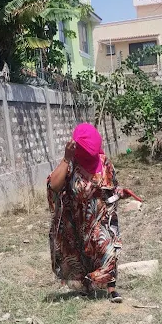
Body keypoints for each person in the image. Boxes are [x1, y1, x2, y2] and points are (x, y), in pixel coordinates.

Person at [47, 123, 141, 303]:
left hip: (103, 216)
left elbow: (111, 188)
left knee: (109, 249)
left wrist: (122, 192)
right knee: (82, 253)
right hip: (78, 218)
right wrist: (66, 158)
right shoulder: (71, 164)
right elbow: (54, 185)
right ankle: (86, 286)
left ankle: (112, 289)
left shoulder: (104, 162)